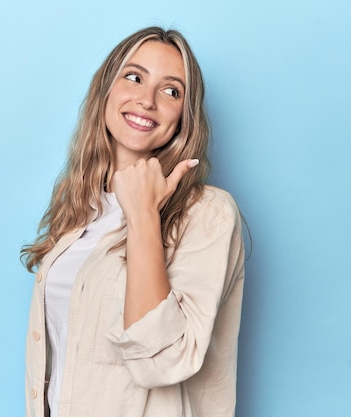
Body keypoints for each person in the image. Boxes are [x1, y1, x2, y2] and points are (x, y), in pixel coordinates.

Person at [20, 26, 245, 417]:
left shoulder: (207, 214)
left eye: (171, 90)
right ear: (105, 89)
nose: (147, 101)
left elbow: (163, 361)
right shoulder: (78, 211)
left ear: (184, 117)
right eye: (134, 77)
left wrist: (143, 215)